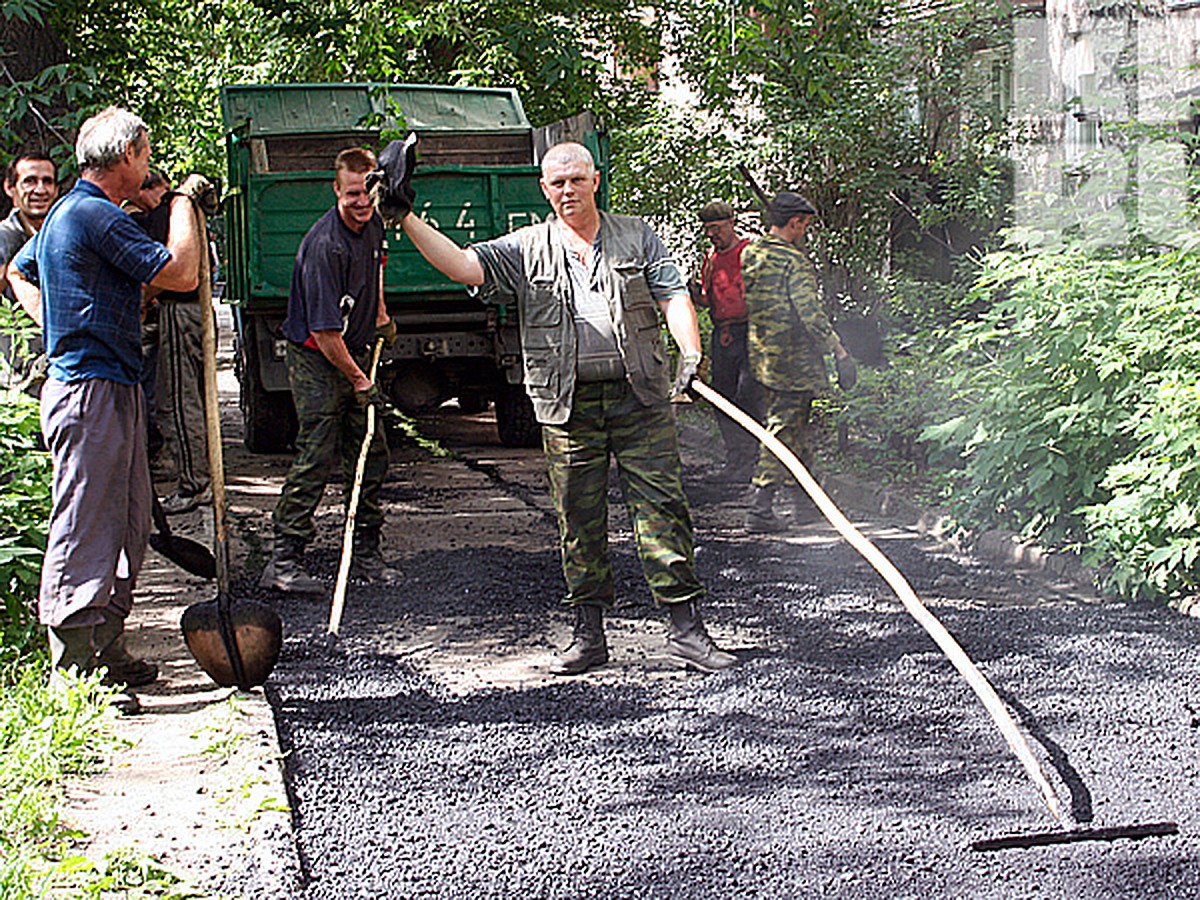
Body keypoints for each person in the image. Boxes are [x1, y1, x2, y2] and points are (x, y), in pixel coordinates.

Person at [394, 140, 736, 675]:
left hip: (640, 398)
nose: (568, 190)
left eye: (577, 179)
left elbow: (673, 297)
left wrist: (690, 353)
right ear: (544, 189)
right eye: (558, 183)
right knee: (579, 520)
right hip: (568, 406)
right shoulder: (527, 247)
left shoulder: (636, 235)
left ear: (595, 180)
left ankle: (687, 633)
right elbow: (463, 266)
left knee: (664, 511)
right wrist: (406, 217)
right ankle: (589, 637)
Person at [5, 107, 202, 706]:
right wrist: (185, 204)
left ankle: (107, 647)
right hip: (88, 389)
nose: (148, 167)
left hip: (111, 382)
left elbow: (21, 269)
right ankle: (74, 670)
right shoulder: (91, 212)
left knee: (129, 518)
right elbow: (184, 272)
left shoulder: (76, 214)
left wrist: (64, 317)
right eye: (146, 154)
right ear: (127, 156)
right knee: (87, 522)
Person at [259, 147, 400, 593]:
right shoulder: (324, 246)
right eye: (352, 193)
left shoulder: (374, 222)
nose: (362, 202)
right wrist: (360, 381)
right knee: (318, 452)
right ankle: (283, 560)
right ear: (336, 190)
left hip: (355, 347)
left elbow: (377, 266)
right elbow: (323, 334)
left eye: (368, 193)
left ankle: (365, 552)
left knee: (371, 451)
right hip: (317, 357)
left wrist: (379, 313)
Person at [741, 191, 849, 533]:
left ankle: (806, 504)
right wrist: (838, 349)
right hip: (793, 361)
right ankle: (759, 507)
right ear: (794, 222)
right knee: (783, 431)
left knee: (796, 429)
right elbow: (809, 314)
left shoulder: (751, 252)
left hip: (763, 357)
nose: (805, 231)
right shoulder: (794, 262)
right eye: (804, 224)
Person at [129, 168, 212, 513]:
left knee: (180, 400)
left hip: (183, 313)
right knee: (183, 397)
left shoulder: (169, 213)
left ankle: (195, 484)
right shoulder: (177, 211)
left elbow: (174, 275)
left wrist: (143, 298)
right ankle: (196, 478)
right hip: (186, 313)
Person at [695, 200, 761, 483]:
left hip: (750, 333)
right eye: (708, 229)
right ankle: (735, 459)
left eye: (717, 228)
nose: (713, 234)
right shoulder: (711, 259)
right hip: (723, 334)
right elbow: (706, 299)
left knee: (747, 396)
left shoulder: (749, 253)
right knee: (721, 397)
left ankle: (752, 460)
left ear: (731, 223)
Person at [0, 152, 58, 391]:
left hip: (54, 369)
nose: (40, 189)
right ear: (10, 188)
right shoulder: (5, 236)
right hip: (15, 378)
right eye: (29, 181)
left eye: (47, 181)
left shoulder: (60, 235)